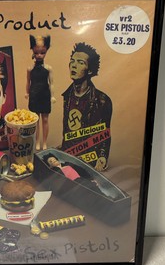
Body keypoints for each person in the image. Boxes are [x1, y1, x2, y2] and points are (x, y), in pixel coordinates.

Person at [61, 42, 112, 171]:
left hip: (89, 159)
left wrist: (102, 156)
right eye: (72, 61)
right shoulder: (67, 95)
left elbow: (105, 132)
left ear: (90, 70)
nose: (74, 65)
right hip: (69, 157)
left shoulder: (102, 100)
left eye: (80, 62)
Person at [25, 35, 55, 150]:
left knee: (45, 119)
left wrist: (52, 96)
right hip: (34, 95)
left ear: (46, 52)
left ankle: (45, 142)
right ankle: (37, 141)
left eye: (42, 53)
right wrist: (27, 93)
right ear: (33, 51)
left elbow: (51, 83)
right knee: (36, 120)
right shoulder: (30, 69)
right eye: (36, 53)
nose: (39, 55)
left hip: (45, 95)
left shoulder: (48, 68)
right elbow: (28, 81)